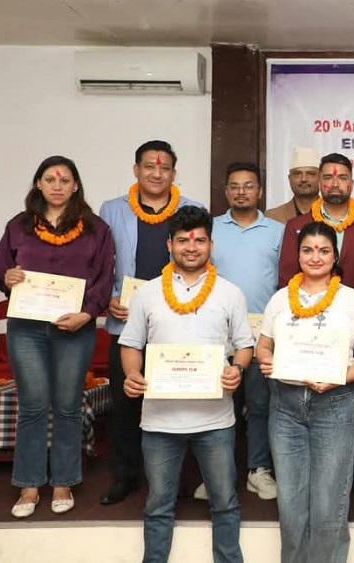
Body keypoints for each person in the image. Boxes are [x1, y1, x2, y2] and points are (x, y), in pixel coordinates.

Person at [0, 155, 115, 518]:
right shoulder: (19, 226)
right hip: (26, 329)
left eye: (65, 180)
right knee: (33, 406)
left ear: (76, 186)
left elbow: (105, 279)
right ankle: (28, 485)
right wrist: (7, 277)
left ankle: (63, 482)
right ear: (39, 184)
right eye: (50, 179)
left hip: (75, 327)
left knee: (68, 406)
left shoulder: (97, 229)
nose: (57, 186)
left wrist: (87, 314)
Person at [120, 206, 252, 563]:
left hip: (215, 421)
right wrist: (132, 374)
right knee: (158, 505)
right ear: (170, 244)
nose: (191, 248)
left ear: (211, 244)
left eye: (199, 240)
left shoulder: (230, 293)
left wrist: (238, 368)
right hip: (159, 422)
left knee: (225, 503)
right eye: (183, 241)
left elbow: (245, 345)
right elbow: (130, 344)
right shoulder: (147, 293)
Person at [257, 221, 354, 563]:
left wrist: (339, 377)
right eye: (308, 250)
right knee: (291, 506)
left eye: (324, 251)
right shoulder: (280, 299)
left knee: (329, 505)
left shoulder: (352, 300)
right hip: (286, 407)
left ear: (335, 256)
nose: (315, 257)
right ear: (297, 255)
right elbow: (263, 346)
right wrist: (266, 361)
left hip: (334, 405)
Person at [278, 152, 354, 507]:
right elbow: (287, 276)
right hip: (305, 331)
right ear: (319, 182)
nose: (334, 183)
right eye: (327, 177)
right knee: (308, 402)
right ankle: (316, 474)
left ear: (352, 183)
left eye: (341, 177)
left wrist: (352, 320)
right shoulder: (297, 227)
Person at [99, 140, 203, 505]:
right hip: (126, 320)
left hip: (176, 321)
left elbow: (202, 260)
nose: (157, 173)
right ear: (136, 170)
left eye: (164, 168)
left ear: (174, 173)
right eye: (149, 166)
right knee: (126, 400)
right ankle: (125, 476)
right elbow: (102, 263)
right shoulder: (112, 210)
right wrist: (110, 296)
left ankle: (182, 478)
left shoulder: (192, 209)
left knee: (178, 400)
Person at [207, 162, 284, 500]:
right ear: (226, 191)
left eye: (248, 185)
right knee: (219, 406)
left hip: (260, 336)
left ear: (260, 191)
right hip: (216, 335)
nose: (241, 192)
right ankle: (218, 474)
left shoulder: (277, 231)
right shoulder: (209, 229)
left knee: (260, 404)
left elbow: (286, 282)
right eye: (235, 186)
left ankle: (258, 469)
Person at [265, 147, 320, 224]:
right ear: (289, 178)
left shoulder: (332, 213)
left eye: (310, 174)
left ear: (321, 178)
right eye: (297, 174)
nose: (303, 179)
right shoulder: (272, 217)